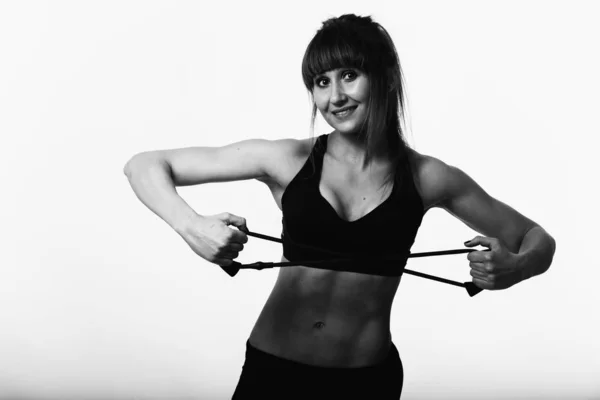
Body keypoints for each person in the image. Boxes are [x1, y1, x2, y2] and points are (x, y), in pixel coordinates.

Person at [123, 14, 556, 400]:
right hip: (274, 374)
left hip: (367, 382)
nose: (335, 96)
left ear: (385, 77)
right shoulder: (286, 159)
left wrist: (516, 268)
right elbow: (143, 165)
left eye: (349, 75)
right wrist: (192, 226)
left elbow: (538, 240)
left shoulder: (429, 177)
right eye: (321, 82)